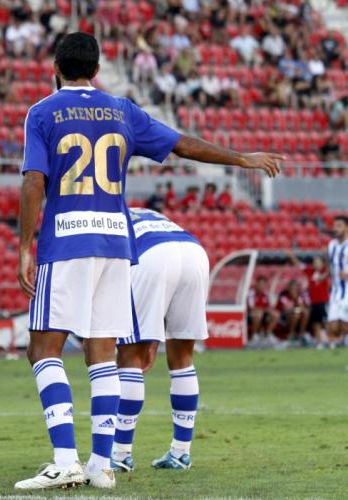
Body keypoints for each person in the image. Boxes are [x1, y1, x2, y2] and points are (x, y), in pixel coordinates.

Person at [16, 32, 281, 491]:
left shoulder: (42, 112)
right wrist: (243, 158)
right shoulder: (122, 110)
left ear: (55, 68)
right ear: (97, 70)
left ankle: (65, 459)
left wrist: (25, 246)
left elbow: (33, 181)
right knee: (103, 353)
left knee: (43, 349)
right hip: (118, 243)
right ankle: (101, 465)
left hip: (68, 239)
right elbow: (182, 144)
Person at [110, 208, 208, 472]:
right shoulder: (146, 212)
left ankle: (120, 454)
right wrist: (153, 338)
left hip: (149, 255)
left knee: (130, 358)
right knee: (183, 357)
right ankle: (181, 452)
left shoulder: (102, 215)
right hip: (194, 252)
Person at [287, 250, 330, 346]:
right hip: (314, 302)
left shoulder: (325, 271)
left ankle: (330, 340)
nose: (316, 264)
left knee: (326, 322)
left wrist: (327, 254)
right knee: (316, 323)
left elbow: (331, 265)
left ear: (322, 264)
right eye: (315, 262)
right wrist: (292, 256)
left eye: (318, 262)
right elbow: (299, 264)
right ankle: (320, 342)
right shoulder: (310, 271)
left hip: (324, 301)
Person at [326, 215, 348, 348]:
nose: (335, 228)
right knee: (333, 328)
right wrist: (323, 276)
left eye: (339, 226)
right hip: (335, 291)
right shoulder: (331, 245)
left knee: (344, 324)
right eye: (334, 226)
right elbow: (331, 266)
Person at [247, 276, 280, 347]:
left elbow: (268, 306)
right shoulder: (251, 292)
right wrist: (264, 309)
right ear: (256, 284)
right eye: (260, 284)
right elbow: (251, 307)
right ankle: (254, 336)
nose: (261, 286)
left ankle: (268, 334)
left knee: (275, 314)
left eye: (263, 284)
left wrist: (268, 310)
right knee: (258, 314)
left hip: (263, 313)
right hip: (251, 314)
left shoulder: (265, 294)